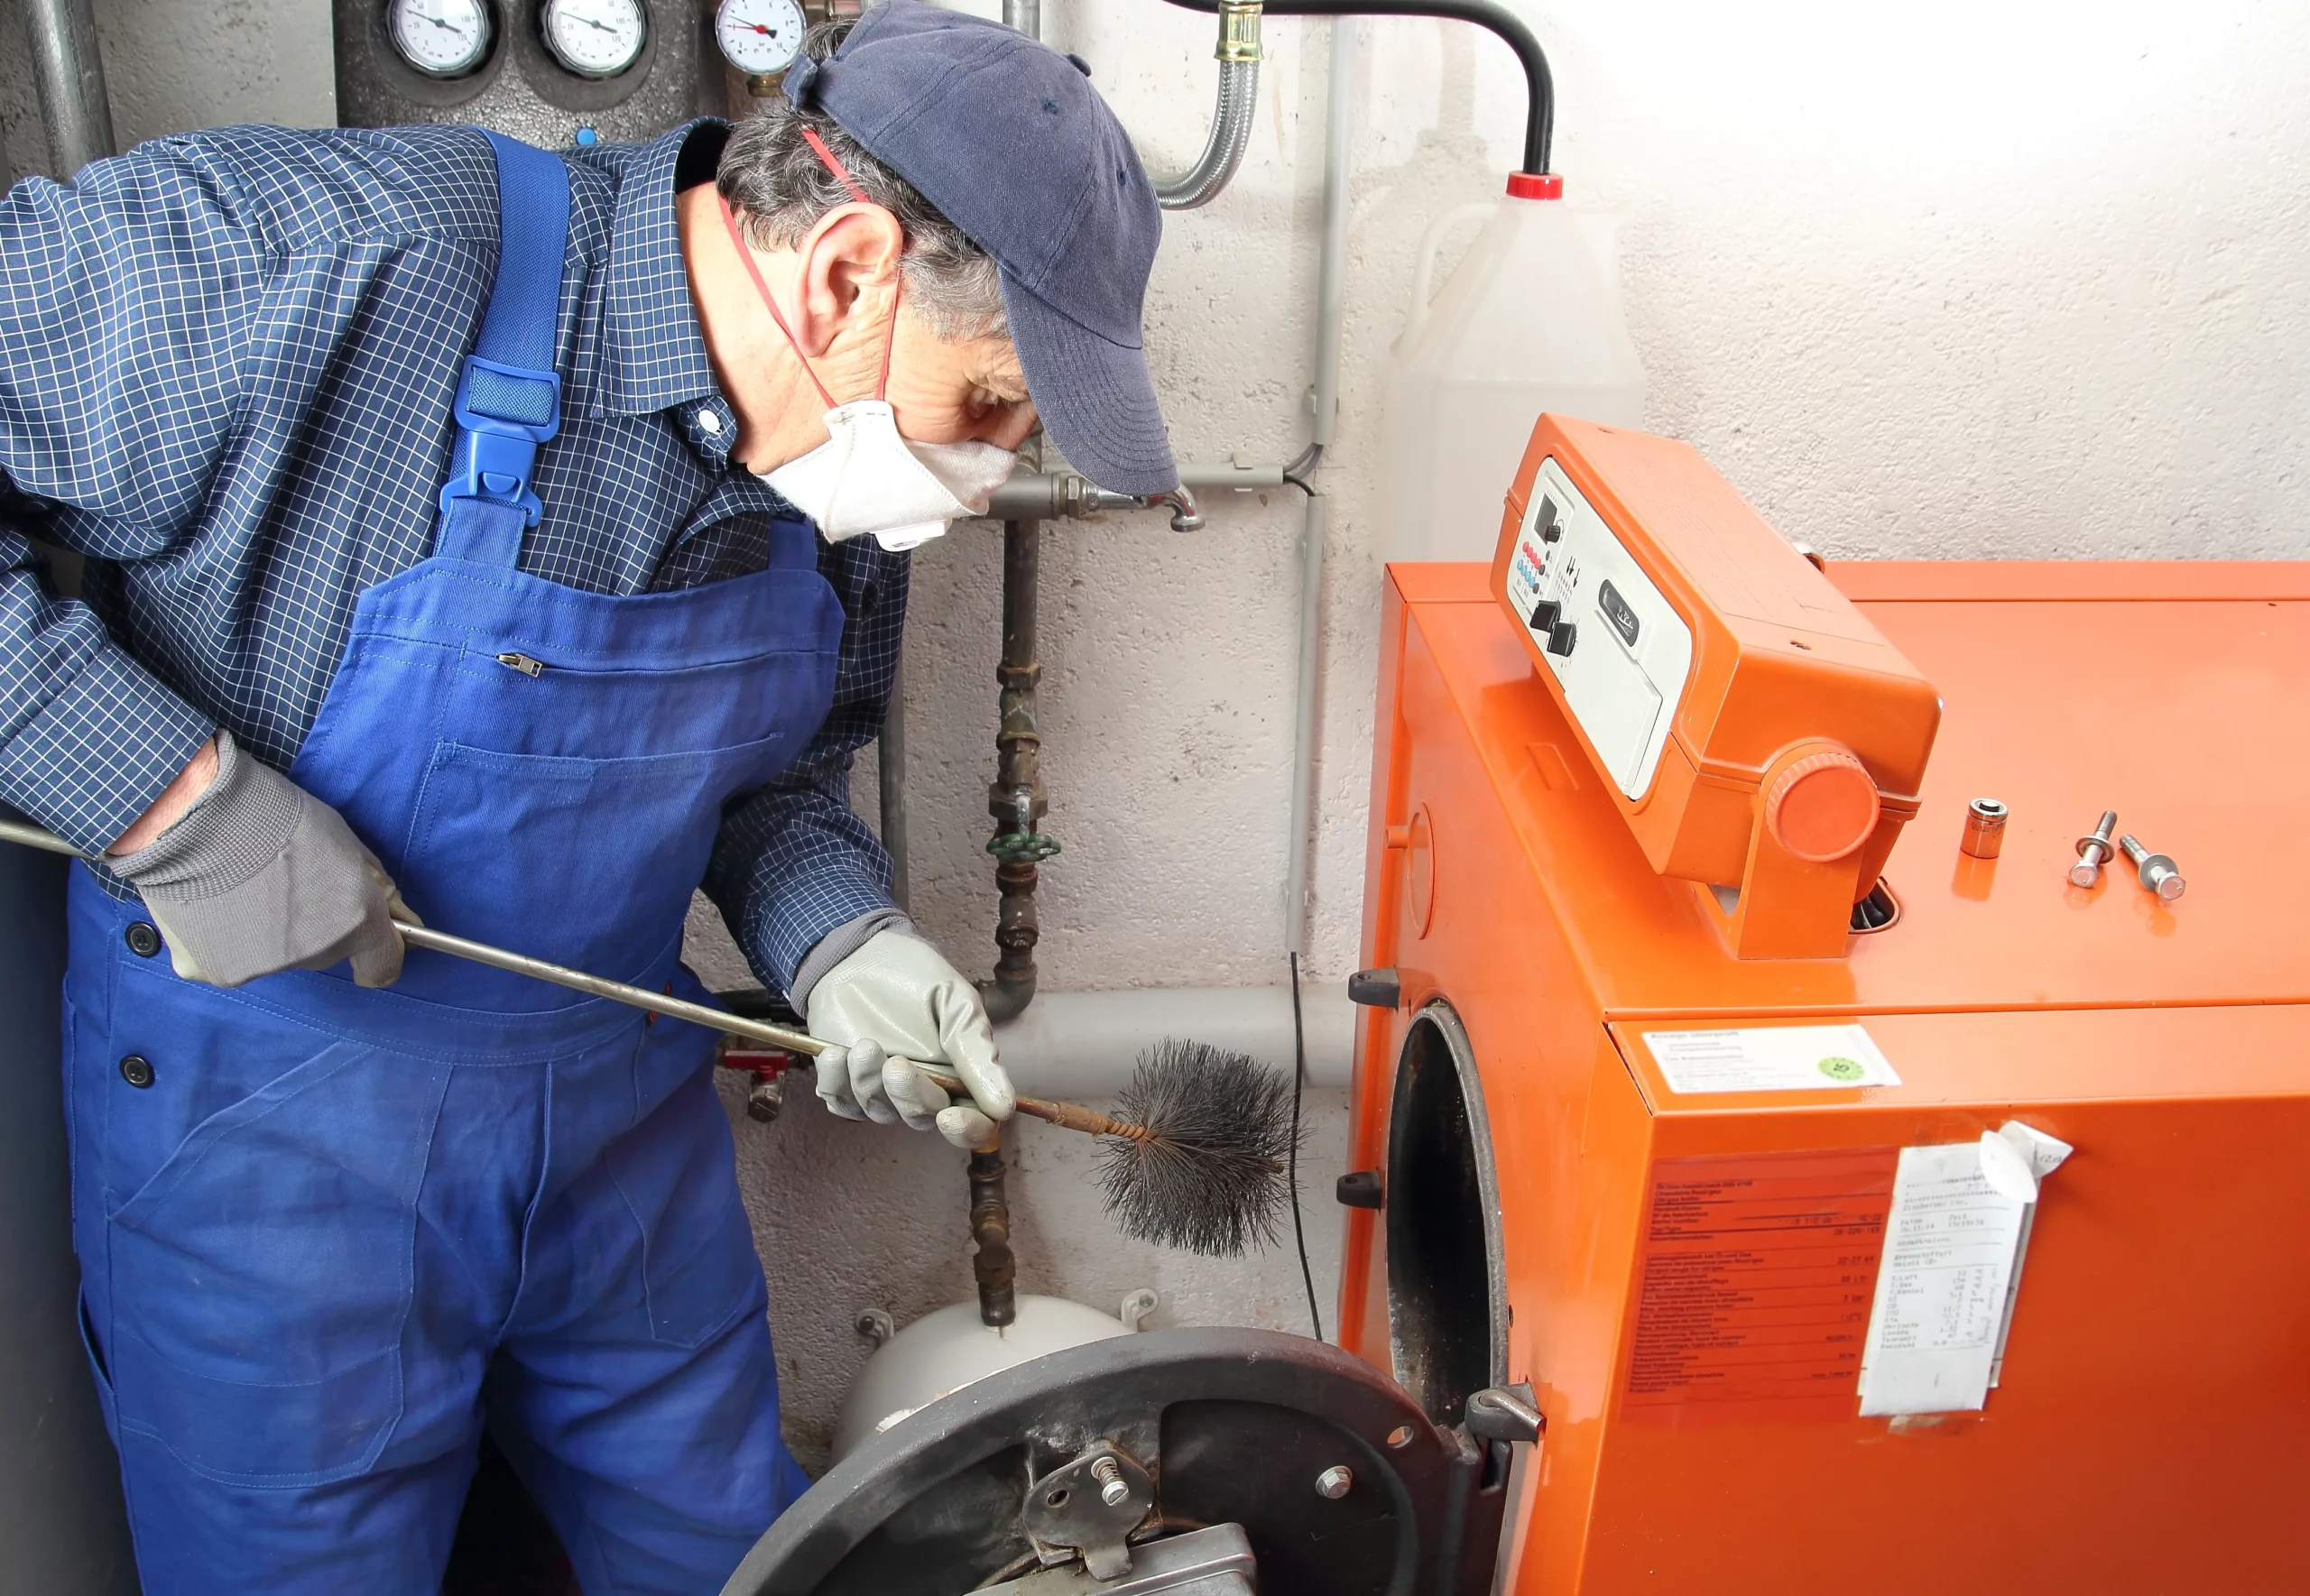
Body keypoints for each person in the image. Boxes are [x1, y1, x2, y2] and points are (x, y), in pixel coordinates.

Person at [0, 5, 1178, 1591]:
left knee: (736, 1560)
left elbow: (768, 780)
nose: (976, 484)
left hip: (617, 1142)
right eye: (987, 408)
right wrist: (166, 799)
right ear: (845, 272)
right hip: (274, 1153)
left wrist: (841, 937)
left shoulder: (828, 482)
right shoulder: (317, 261)